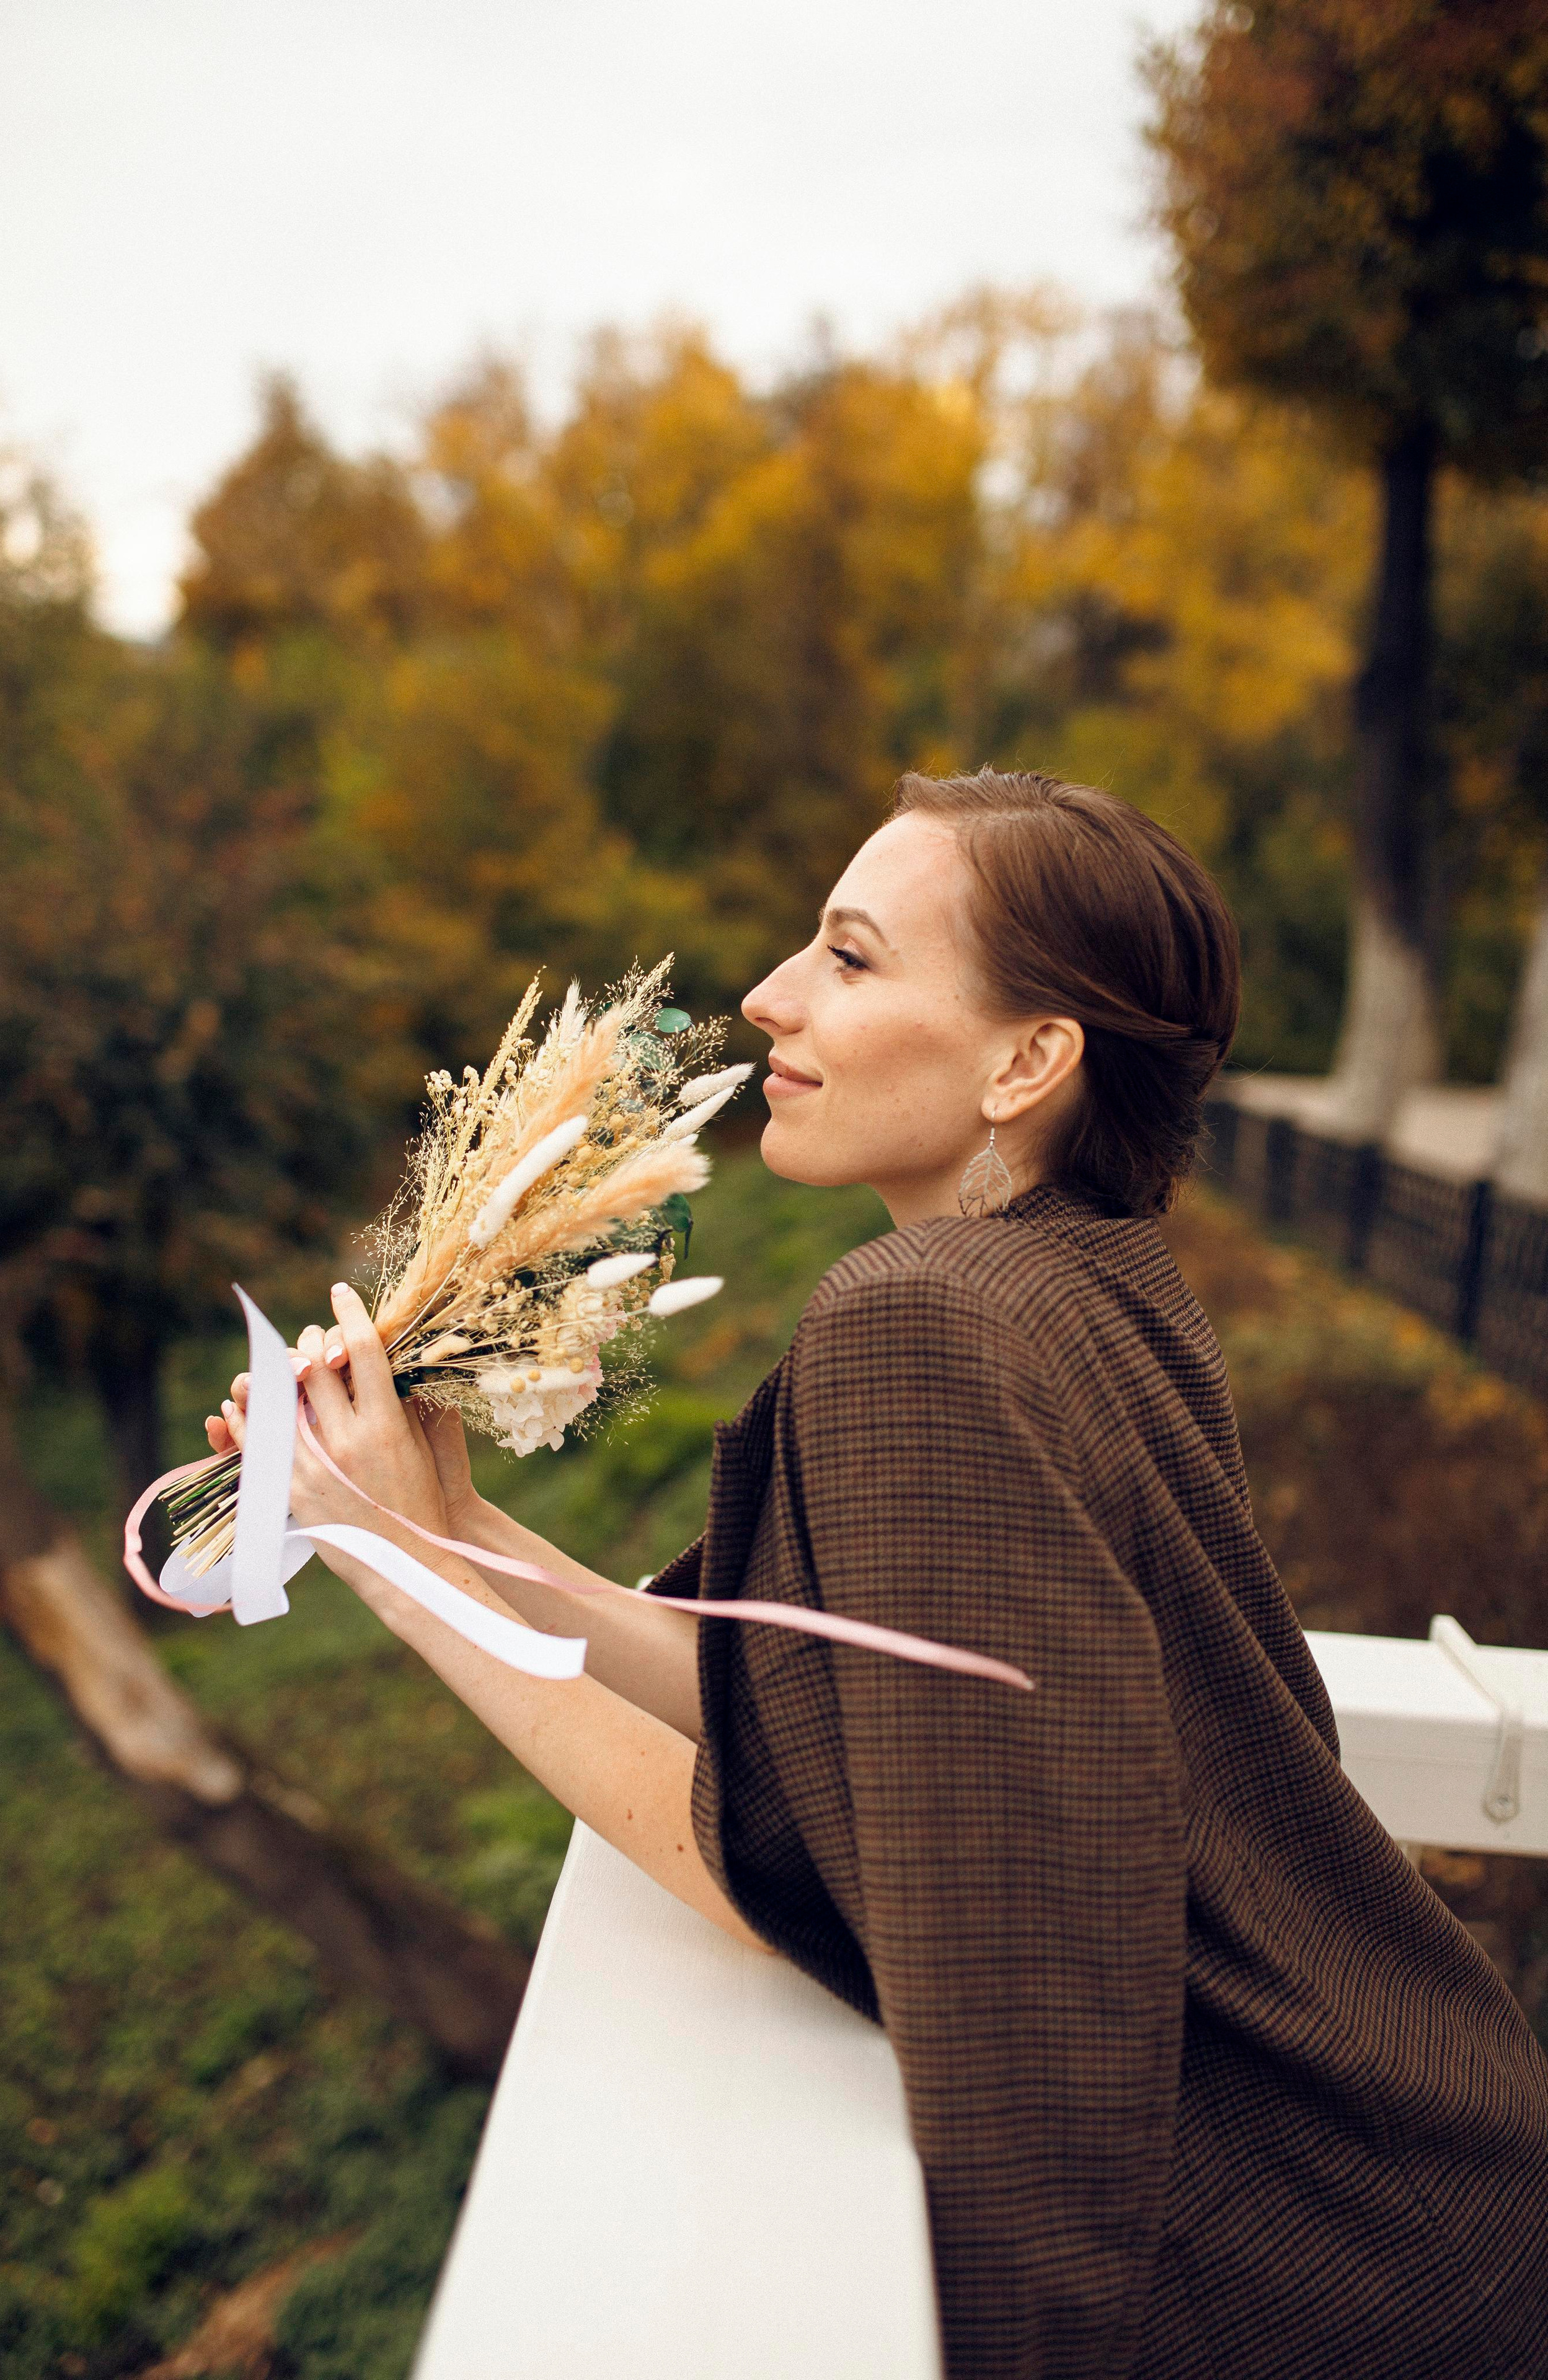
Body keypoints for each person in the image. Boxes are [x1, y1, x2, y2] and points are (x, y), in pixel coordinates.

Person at [208, 770, 1548, 2379]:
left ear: (1028, 1059)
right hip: (1429, 2172)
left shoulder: (925, 1322)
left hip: (1320, 2266)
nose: (770, 994)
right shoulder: (1090, 1282)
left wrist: (376, 1563)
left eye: (851, 958)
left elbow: (806, 1877)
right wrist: (454, 1531)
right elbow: (825, 1719)